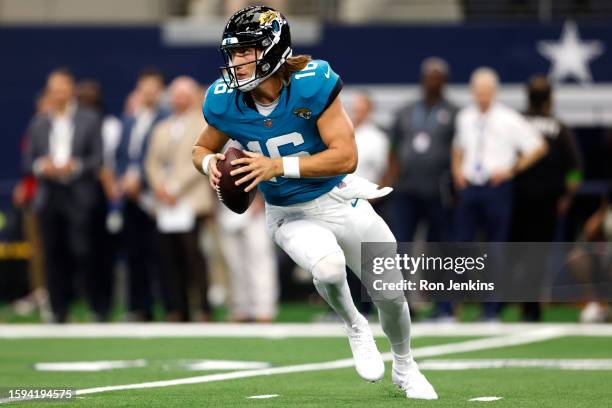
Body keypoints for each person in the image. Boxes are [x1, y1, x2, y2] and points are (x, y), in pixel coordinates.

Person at [192, 6, 437, 399]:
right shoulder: (226, 101)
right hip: (289, 214)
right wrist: (209, 165)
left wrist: (276, 166)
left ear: (273, 50)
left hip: (340, 198)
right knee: (327, 267)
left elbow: (345, 157)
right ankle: (355, 325)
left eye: (245, 52)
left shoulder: (311, 83)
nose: (236, 63)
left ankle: (405, 365)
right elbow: (202, 146)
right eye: (233, 53)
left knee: (391, 294)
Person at [452, 67, 547, 320]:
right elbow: (458, 147)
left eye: (486, 91)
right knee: (461, 247)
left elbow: (538, 147)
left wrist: (511, 170)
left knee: (495, 248)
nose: (481, 96)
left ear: (494, 92)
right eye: (478, 91)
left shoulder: (509, 118)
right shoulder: (465, 117)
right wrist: (457, 172)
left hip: (496, 187)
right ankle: (450, 308)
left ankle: (491, 309)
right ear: (473, 92)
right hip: (471, 185)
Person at [23, 68, 103, 323]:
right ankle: (59, 311)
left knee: (85, 252)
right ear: (49, 92)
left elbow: (98, 159)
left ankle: (96, 309)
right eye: (54, 89)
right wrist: (41, 166)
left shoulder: (90, 119)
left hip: (79, 193)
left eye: (63, 88)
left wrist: (75, 166)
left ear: (71, 90)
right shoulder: (39, 122)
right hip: (49, 195)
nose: (59, 93)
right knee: (53, 253)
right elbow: (28, 161)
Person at [511, 75, 583, 321]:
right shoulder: (557, 127)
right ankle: (527, 305)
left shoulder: (518, 122)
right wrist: (567, 196)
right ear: (550, 98)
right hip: (537, 201)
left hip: (524, 200)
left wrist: (566, 195)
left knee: (518, 253)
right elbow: (575, 168)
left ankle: (524, 305)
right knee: (533, 255)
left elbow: (575, 169)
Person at [145, 76, 214, 321]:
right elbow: (151, 162)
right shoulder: (161, 127)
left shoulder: (203, 124)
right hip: (165, 204)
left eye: (185, 94)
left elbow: (202, 157)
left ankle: (203, 308)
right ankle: (177, 308)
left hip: (191, 201)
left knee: (194, 257)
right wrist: (160, 187)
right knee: (168, 258)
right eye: (176, 95)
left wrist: (175, 187)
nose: (180, 99)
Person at [115, 68, 170, 321]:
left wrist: (144, 183)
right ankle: (140, 308)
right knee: (134, 253)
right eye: (144, 87)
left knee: (160, 255)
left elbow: (163, 159)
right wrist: (123, 180)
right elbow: (122, 156)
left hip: (155, 196)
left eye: (153, 88)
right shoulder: (129, 120)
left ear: (160, 91)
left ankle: (171, 306)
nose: (148, 92)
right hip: (130, 197)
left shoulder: (166, 118)